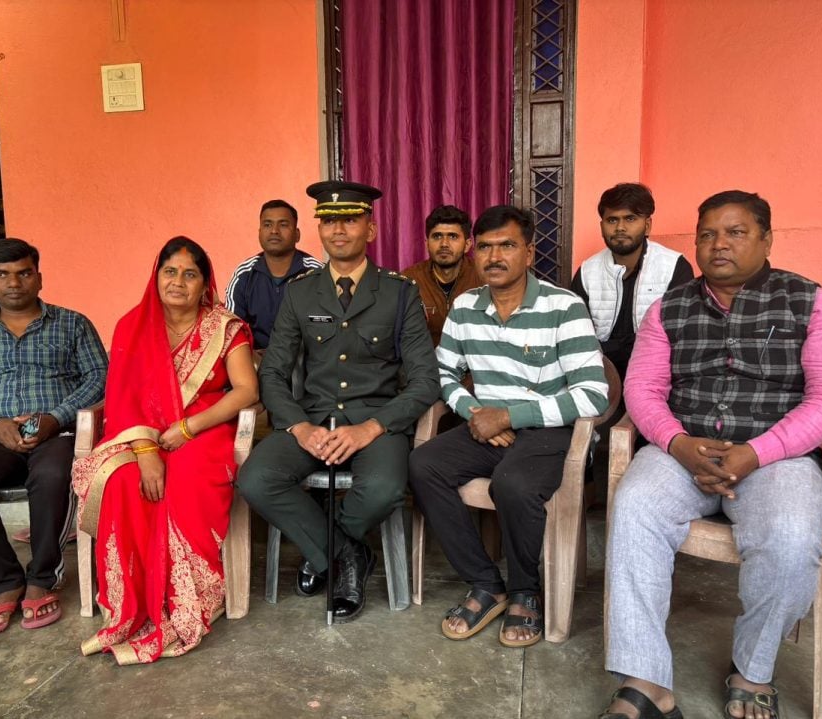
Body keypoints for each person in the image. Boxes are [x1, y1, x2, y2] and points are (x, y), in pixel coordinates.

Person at [600, 191, 822, 719]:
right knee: (634, 509)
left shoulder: (811, 302)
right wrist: (677, 443)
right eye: (708, 234)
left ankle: (752, 669)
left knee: (791, 537)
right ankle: (647, 680)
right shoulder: (668, 309)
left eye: (736, 232)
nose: (719, 244)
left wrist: (755, 453)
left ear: (767, 239)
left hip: (777, 457)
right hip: (680, 449)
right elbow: (643, 391)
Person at [238, 180, 439, 623]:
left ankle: (324, 551)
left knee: (384, 488)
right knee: (256, 478)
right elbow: (272, 372)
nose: (339, 230)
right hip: (312, 417)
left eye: (350, 220)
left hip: (376, 422)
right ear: (319, 230)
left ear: (371, 229)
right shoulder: (300, 292)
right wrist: (299, 426)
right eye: (329, 222)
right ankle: (348, 555)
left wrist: (370, 428)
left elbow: (426, 379)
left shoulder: (399, 293)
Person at [408, 205, 609, 648]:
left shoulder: (563, 306)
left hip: (549, 430)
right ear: (474, 253)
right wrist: (474, 412)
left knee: (513, 483)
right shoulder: (465, 308)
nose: (494, 257)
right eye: (485, 247)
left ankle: (524, 590)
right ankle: (486, 584)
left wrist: (510, 416)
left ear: (529, 253)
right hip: (485, 425)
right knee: (423, 465)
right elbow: (443, 375)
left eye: (507, 246)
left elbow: (593, 395)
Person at [72, 236, 258, 665]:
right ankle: (132, 607)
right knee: (122, 481)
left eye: (190, 274)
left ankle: (186, 602)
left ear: (205, 283)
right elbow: (121, 400)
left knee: (185, 479)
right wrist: (146, 450)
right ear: (156, 277)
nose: (178, 282)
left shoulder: (224, 328)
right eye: (170, 272)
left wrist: (188, 428)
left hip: (204, 429)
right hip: (139, 433)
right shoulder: (132, 326)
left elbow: (246, 390)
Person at [0, 238, 108, 635]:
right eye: (2, 275)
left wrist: (54, 418)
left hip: (57, 432)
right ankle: (3, 581)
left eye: (24, 273)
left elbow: (100, 377)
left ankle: (42, 578)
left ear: (39, 278)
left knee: (54, 475)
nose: (14, 283)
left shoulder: (73, 324)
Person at [570, 183, 693, 378]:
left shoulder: (673, 267)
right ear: (601, 226)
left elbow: (677, 334)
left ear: (647, 225)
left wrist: (615, 348)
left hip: (656, 372)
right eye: (612, 220)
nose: (620, 227)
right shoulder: (587, 271)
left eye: (630, 218)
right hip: (600, 371)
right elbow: (576, 335)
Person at [224, 199, 322, 350]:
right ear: (259, 233)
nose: (274, 231)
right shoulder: (244, 274)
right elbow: (231, 331)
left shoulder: (317, 273)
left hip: (307, 359)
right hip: (255, 360)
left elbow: (326, 329)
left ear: (297, 235)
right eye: (267, 225)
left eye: (283, 224)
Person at [401, 204, 481, 347]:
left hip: (472, 360)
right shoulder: (408, 280)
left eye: (453, 236)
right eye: (437, 236)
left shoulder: (482, 277)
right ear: (427, 243)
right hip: (425, 360)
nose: (444, 244)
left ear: (467, 244)